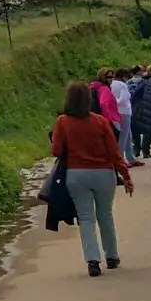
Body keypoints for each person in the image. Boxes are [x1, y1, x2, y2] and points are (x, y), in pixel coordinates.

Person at [52, 80, 135, 277]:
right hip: (104, 173)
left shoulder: (62, 122)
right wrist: (126, 176)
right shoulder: (100, 121)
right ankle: (112, 256)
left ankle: (93, 261)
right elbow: (114, 152)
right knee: (105, 215)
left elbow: (56, 150)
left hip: (76, 174)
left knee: (85, 217)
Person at [108, 67, 139, 166]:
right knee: (124, 137)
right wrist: (116, 102)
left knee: (127, 136)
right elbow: (123, 99)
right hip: (124, 112)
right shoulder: (123, 85)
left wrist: (113, 103)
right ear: (123, 76)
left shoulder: (111, 84)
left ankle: (131, 158)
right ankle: (120, 159)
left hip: (116, 112)